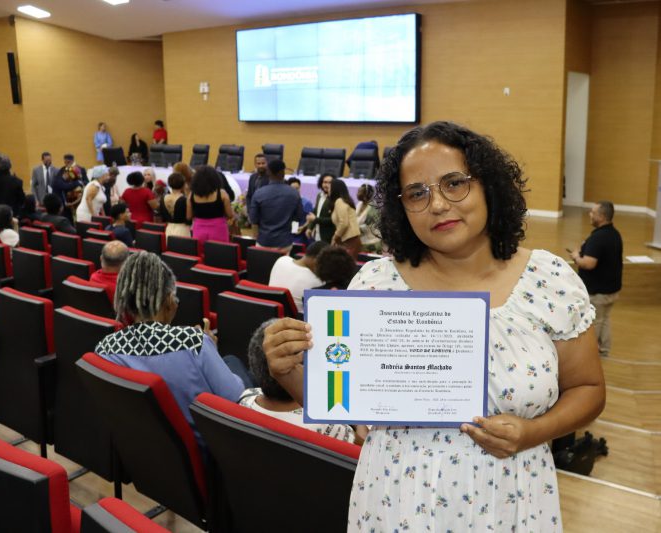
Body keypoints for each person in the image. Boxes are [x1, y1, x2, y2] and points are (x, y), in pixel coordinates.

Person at [263, 121, 605, 532]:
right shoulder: (374, 285)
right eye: (417, 193)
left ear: (487, 186)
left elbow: (588, 389)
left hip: (509, 499)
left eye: (454, 183)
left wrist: (535, 431)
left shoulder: (548, 280)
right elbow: (344, 405)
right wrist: (287, 370)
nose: (438, 205)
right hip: (394, 501)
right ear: (401, 208)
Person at [94, 252, 244, 448]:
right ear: (166, 300)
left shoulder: (105, 348)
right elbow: (235, 397)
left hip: (142, 448)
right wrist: (211, 350)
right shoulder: (193, 341)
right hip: (205, 448)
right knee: (234, 363)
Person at [239, 319, 363, 443]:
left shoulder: (246, 397)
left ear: (254, 366)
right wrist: (358, 420)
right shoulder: (330, 426)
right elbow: (364, 449)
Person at [569, 201, 623, 357]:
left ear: (602, 216)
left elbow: (588, 263)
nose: (590, 215)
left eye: (593, 212)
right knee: (604, 319)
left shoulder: (599, 238)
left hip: (599, 292)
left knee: (595, 322)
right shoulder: (614, 234)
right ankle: (604, 351)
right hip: (611, 290)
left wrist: (576, 257)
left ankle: (591, 354)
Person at [248, 159, 304, 253]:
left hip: (263, 241)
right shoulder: (294, 193)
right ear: (283, 173)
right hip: (284, 243)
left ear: (268, 172)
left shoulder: (259, 193)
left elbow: (253, 219)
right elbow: (299, 217)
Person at [268, 240, 327, 309]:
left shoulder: (281, 260)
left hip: (271, 311)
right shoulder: (316, 282)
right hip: (298, 315)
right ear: (316, 260)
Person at [188, 165, 233, 245]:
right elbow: (230, 214)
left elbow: (189, 216)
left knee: (200, 251)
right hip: (219, 229)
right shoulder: (222, 193)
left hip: (199, 229)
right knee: (219, 251)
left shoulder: (192, 195)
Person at [328, 179, 361, 259]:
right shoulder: (343, 201)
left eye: (330, 188)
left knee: (346, 264)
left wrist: (335, 236)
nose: (328, 190)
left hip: (350, 240)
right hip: (348, 239)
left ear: (334, 189)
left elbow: (344, 223)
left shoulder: (339, 201)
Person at [304, 173, 335, 243]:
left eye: (330, 183)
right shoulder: (319, 195)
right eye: (325, 182)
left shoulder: (335, 199)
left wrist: (315, 219)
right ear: (321, 183)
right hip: (317, 235)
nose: (327, 185)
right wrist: (310, 228)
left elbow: (333, 220)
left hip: (329, 237)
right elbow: (315, 212)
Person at [160, 172, 191, 239]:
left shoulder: (163, 198)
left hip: (169, 228)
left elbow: (162, 215)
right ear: (183, 184)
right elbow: (189, 218)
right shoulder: (185, 199)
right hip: (182, 229)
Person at [356, 183, 382, 253]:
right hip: (362, 241)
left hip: (373, 242)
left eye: (359, 192)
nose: (357, 194)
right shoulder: (359, 204)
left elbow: (369, 226)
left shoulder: (373, 208)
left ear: (366, 195)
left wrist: (354, 229)